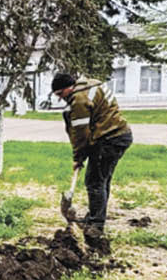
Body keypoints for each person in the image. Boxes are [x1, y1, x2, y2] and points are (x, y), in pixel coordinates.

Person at [51, 73, 133, 235]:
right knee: (102, 179)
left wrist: (78, 157)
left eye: (61, 94)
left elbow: (81, 134)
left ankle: (96, 226)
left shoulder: (79, 100)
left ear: (69, 88)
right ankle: (95, 216)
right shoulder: (91, 85)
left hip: (109, 139)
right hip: (119, 135)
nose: (61, 99)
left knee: (95, 181)